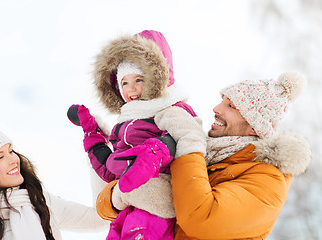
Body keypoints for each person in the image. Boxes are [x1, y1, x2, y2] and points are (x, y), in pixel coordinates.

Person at [96, 71, 312, 239]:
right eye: (222, 100)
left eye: (231, 106)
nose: (216, 108)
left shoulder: (268, 181)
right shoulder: (209, 156)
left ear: (255, 127)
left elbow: (200, 217)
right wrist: (119, 194)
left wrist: (188, 145)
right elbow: (105, 207)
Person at [67, 30, 206, 239]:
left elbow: (191, 139)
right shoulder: (125, 124)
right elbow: (111, 170)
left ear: (156, 78)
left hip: (156, 204)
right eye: (124, 82)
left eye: (139, 80)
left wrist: (158, 150)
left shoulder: (170, 109)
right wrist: (93, 135)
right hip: (127, 204)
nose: (131, 89)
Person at [0, 128, 108, 240]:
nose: (13, 159)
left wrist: (96, 156)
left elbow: (100, 218)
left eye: (11, 151)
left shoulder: (36, 199)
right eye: (0, 157)